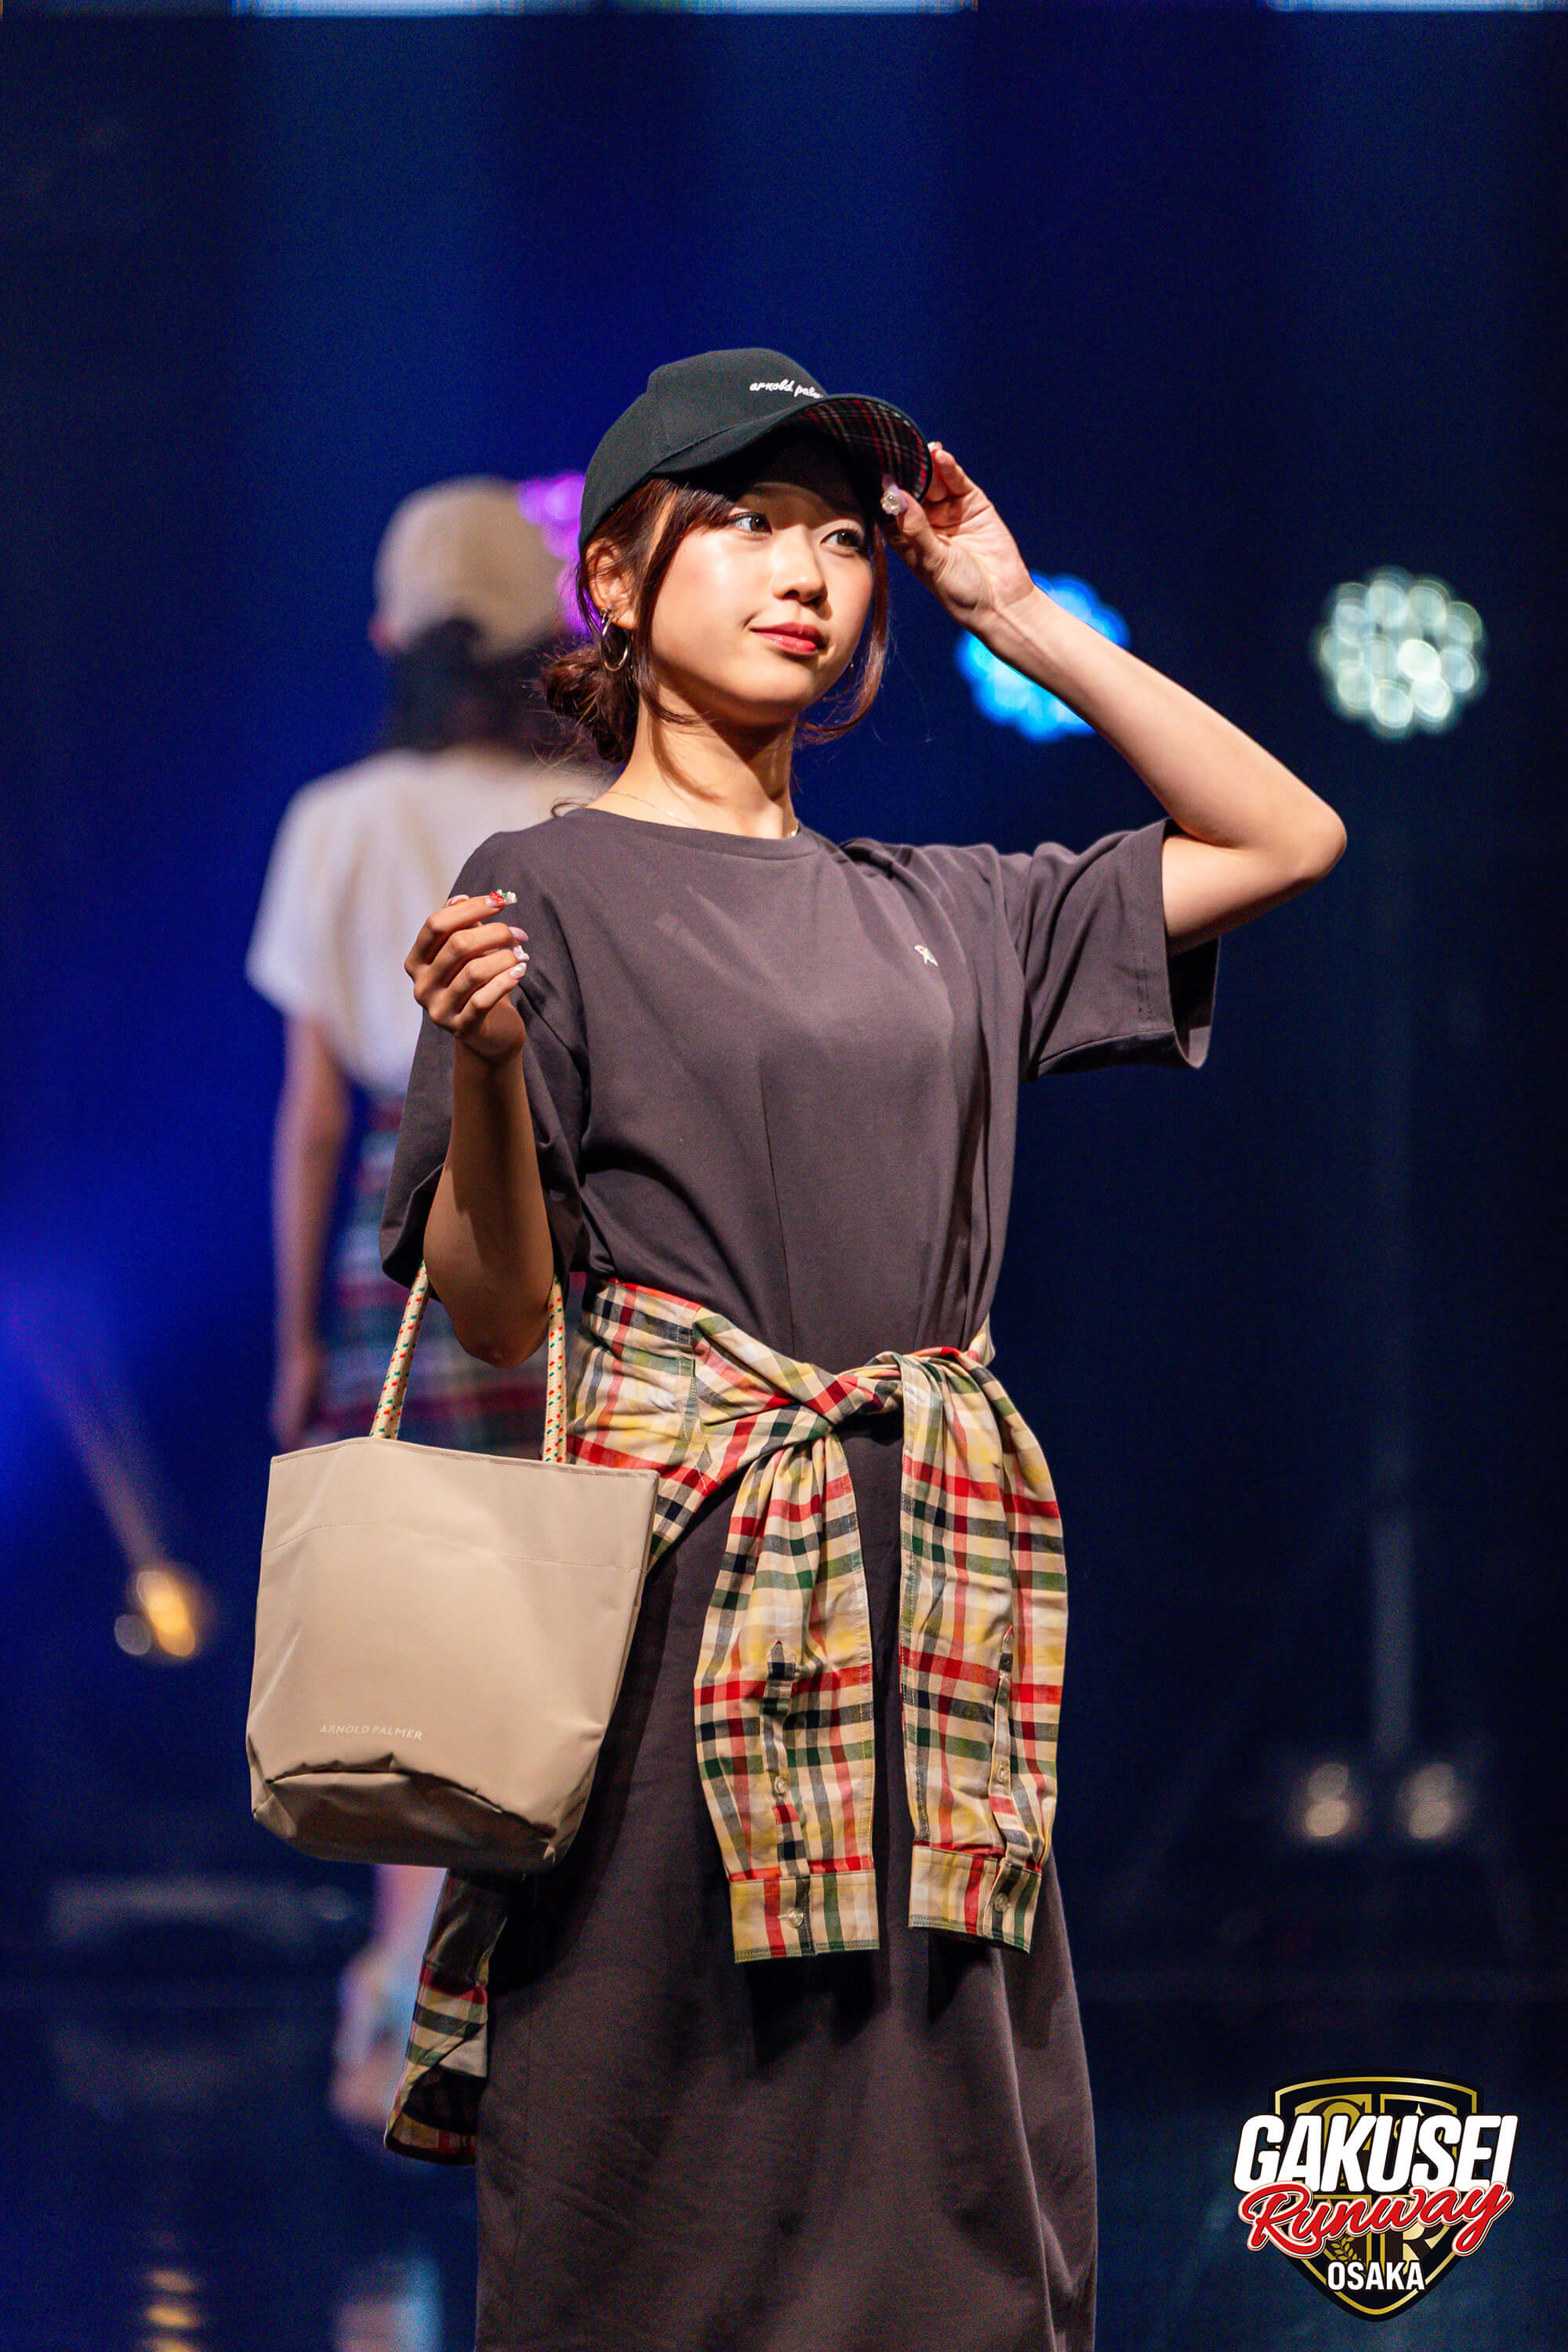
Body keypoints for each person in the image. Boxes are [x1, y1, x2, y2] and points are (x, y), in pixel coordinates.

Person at [377, 350, 1347, 2350]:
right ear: (616, 582)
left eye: (840, 539)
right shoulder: (543, 886)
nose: (805, 571)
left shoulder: (950, 908)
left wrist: (1017, 616)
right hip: (677, 1597)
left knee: (945, 2146)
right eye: (742, 524)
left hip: (934, 1605)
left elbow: (1286, 833)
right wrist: (481, 1067)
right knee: (665, 2126)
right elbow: (496, 1307)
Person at [245, 477, 604, 2133]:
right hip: (570, 1223)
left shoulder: (336, 819)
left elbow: (316, 1114)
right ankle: (556, 2004)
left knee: (409, 1622)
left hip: (389, 1246)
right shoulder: (590, 809)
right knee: (561, 1609)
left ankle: (402, 1991)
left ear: (391, 634)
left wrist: (293, 1342)